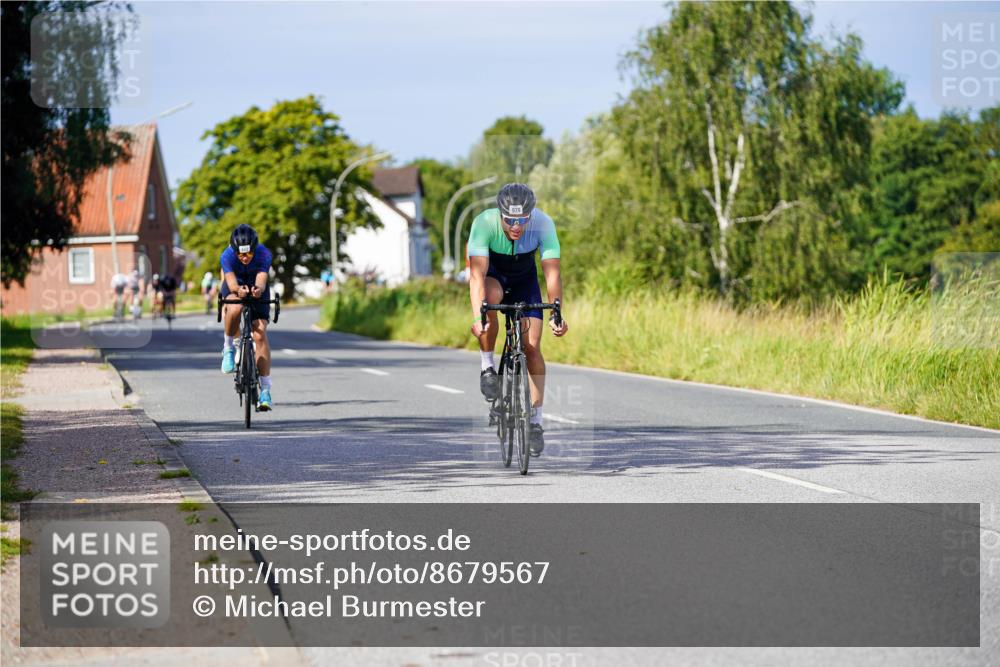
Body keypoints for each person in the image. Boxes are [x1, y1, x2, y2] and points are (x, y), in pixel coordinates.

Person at [467, 183, 568, 456]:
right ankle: (488, 366)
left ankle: (535, 421)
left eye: (522, 219)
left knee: (532, 347)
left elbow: (552, 274)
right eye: (510, 219)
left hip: (525, 281)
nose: (516, 225)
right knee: (489, 301)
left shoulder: (544, 224)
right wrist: (479, 316)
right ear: (500, 213)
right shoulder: (484, 223)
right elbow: (476, 276)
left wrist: (556, 312)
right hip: (494, 276)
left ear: (530, 215)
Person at [219, 224, 274, 411]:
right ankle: (228, 348)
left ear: (255, 250)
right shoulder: (226, 256)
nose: (244, 258)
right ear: (233, 250)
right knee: (234, 308)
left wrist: (258, 290)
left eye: (248, 254)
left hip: (256, 287)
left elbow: (261, 279)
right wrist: (237, 290)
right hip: (236, 285)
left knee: (259, 333)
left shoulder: (264, 253)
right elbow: (231, 282)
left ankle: (265, 390)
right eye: (240, 254)